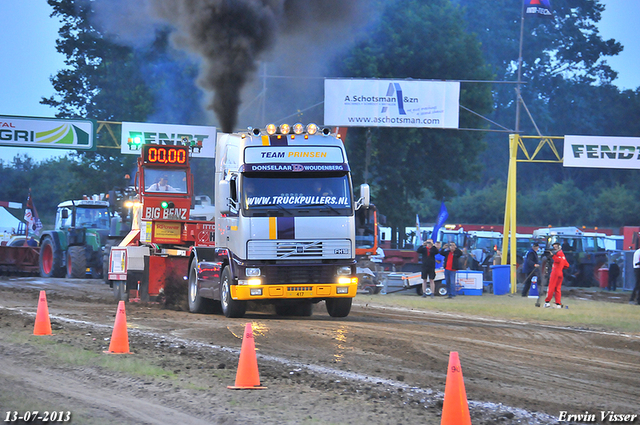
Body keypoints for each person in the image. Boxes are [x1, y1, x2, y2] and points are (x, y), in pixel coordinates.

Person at [544, 242, 570, 308]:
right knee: (558, 289)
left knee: (551, 287)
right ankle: (558, 303)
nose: (554, 247)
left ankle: (547, 302)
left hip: (555, 272)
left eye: (555, 246)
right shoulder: (563, 254)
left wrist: (552, 256)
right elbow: (567, 265)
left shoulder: (558, 254)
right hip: (560, 273)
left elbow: (557, 260)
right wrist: (561, 267)